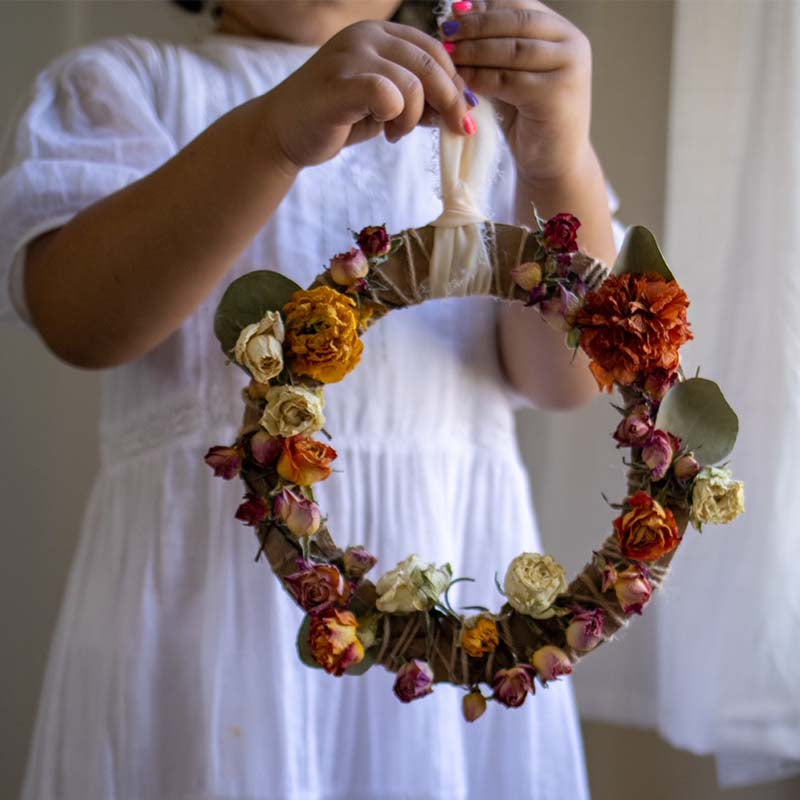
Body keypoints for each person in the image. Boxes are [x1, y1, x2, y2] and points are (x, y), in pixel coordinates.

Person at [0, 1, 622, 797]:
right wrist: (271, 137)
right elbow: (81, 320)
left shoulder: (486, 125)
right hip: (210, 633)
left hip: (446, 626)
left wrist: (556, 155)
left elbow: (568, 377)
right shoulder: (127, 84)